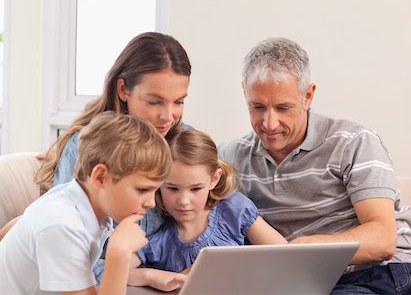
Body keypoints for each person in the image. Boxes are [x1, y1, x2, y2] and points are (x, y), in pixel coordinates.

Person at [218, 37, 411, 294]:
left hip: (407, 269)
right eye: (257, 107)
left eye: (284, 108)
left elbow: (383, 239)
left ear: (308, 95)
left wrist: (305, 247)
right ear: (244, 93)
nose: (269, 123)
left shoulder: (353, 142)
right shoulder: (231, 158)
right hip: (340, 284)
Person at [0, 31, 191, 279]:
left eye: (179, 102)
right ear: (123, 90)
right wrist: (141, 275)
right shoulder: (83, 149)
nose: (168, 117)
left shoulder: (185, 143)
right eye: (155, 102)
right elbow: (69, 260)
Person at [0, 111, 172, 294]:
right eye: (142, 190)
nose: (151, 203)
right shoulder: (63, 225)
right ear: (100, 177)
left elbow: (18, 224)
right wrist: (119, 254)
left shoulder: (68, 199)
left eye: (155, 190)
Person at [127, 129, 287, 292]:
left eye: (195, 189)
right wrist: (151, 276)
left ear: (214, 179)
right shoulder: (158, 241)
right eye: (173, 189)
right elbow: (113, 270)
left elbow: (286, 256)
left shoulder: (234, 210)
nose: (183, 201)